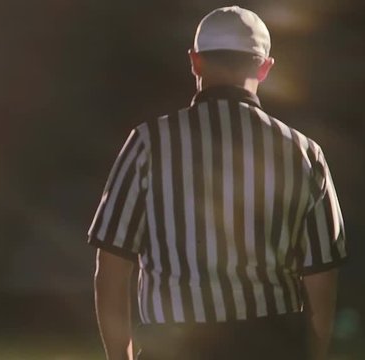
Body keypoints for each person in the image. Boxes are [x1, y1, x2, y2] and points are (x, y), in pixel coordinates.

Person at [88, 6, 347, 360]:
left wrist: (121, 357)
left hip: (177, 346)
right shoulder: (304, 152)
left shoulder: (149, 144)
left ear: (196, 62)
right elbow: (322, 278)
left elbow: (112, 267)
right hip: (273, 345)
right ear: (265, 67)